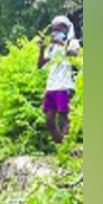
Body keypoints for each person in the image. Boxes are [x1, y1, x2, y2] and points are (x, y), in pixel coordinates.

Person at [38, 15, 80, 144]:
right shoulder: (51, 47)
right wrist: (42, 49)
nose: (56, 32)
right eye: (54, 29)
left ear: (65, 29)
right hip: (52, 85)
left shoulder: (72, 41)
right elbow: (40, 65)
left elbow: (74, 54)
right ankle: (61, 145)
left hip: (65, 85)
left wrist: (62, 43)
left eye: (59, 29)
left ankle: (68, 145)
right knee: (49, 120)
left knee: (63, 117)